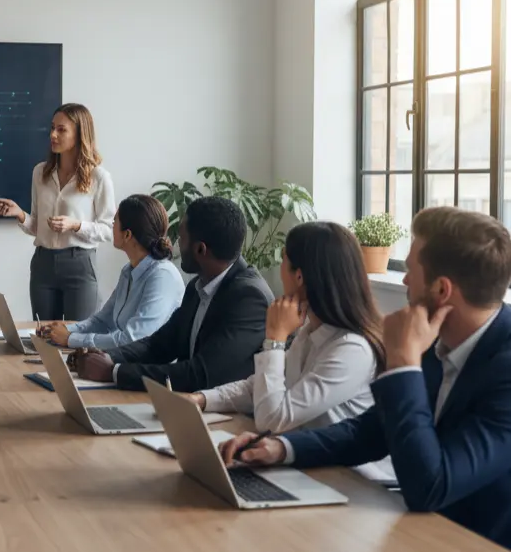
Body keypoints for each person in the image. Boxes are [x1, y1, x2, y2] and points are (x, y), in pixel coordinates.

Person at [219, 207, 511, 550]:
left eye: (410, 271)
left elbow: (429, 487)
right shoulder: (441, 340)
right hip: (412, 530)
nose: (403, 281)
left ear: (442, 290)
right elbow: (370, 431)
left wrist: (402, 363)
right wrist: (281, 448)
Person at [187, 222, 382, 434]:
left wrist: (275, 339)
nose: (280, 270)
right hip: (301, 459)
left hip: (337, 467)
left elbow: (272, 421)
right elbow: (259, 388)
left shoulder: (351, 349)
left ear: (299, 277)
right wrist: (201, 399)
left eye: (283, 260)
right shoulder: (310, 332)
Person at [72, 196, 273, 392]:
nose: (174, 244)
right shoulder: (198, 286)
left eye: (182, 238)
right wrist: (108, 357)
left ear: (201, 249)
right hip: (188, 407)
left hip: (228, 419)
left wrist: (115, 372)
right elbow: (159, 344)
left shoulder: (248, 298)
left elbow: (201, 374)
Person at [0, 103, 116, 322]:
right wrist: (20, 214)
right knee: (44, 340)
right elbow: (37, 226)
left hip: (80, 263)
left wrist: (76, 225)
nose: (52, 135)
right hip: (43, 264)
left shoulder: (99, 177)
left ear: (79, 134)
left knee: (79, 340)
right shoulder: (40, 173)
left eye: (61, 129)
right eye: (52, 128)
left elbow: (109, 230)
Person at [38, 194, 183, 350]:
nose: (111, 226)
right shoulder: (129, 271)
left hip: (148, 370)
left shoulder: (162, 276)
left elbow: (133, 339)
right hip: (125, 362)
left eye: (114, 222)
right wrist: (64, 331)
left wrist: (72, 339)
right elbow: (102, 322)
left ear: (127, 235)